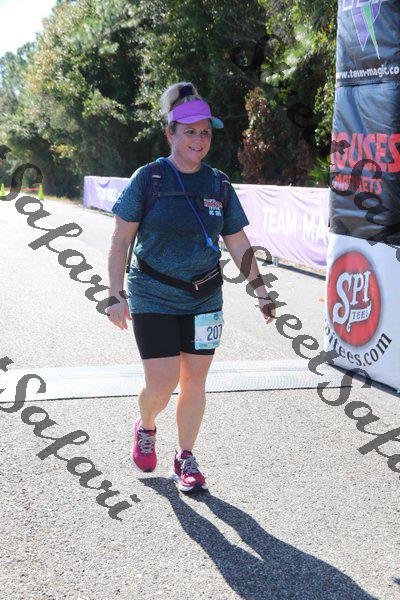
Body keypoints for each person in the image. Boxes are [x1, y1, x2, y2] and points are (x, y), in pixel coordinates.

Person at [107, 81, 275, 493]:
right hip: (153, 294)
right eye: (189, 132)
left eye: (205, 133)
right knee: (162, 383)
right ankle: (147, 425)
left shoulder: (218, 185)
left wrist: (260, 289)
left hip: (205, 297)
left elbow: (238, 242)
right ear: (170, 133)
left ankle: (185, 457)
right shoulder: (149, 179)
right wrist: (115, 294)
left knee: (195, 382)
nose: (199, 141)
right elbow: (120, 240)